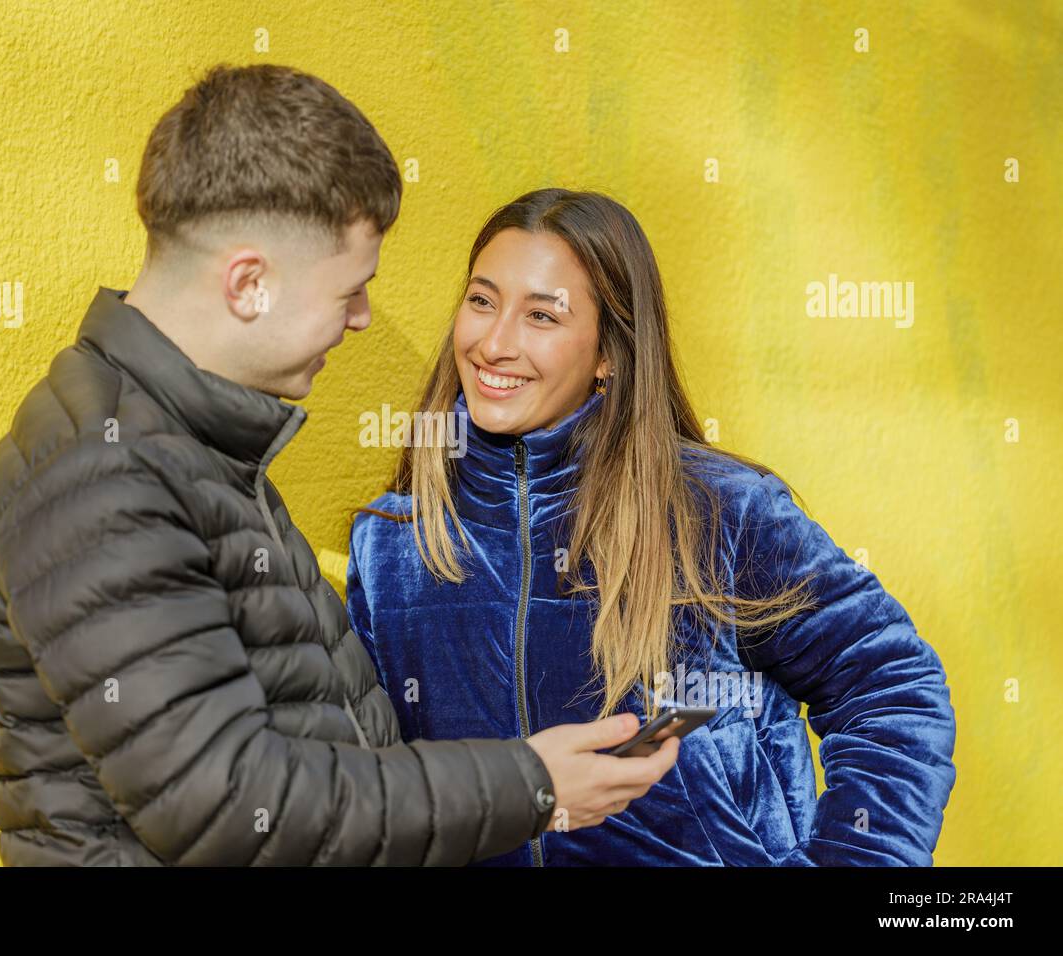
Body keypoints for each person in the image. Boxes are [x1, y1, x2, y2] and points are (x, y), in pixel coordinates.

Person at [0, 66, 679, 866]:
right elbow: (232, 805)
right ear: (250, 285)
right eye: (351, 290)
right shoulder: (98, 476)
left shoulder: (188, 449)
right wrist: (530, 785)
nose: (365, 319)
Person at [347, 188, 957, 866]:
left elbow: (892, 686)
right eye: (482, 301)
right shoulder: (391, 544)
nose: (494, 343)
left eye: (542, 316)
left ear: (609, 354)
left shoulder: (719, 510)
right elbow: (379, 793)